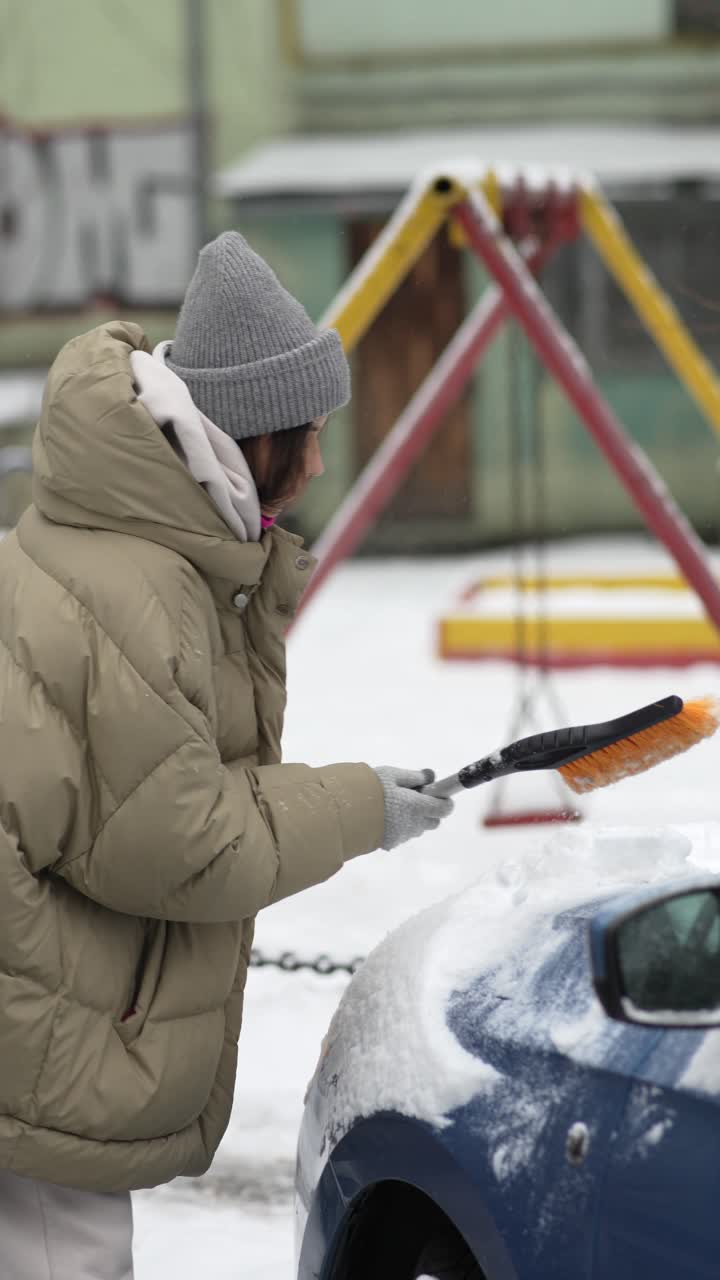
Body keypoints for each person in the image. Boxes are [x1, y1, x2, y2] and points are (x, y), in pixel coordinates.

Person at [0, 231, 453, 1277]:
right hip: (42, 1034)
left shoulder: (111, 537)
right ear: (253, 435)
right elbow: (181, 840)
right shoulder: (143, 588)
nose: (323, 460)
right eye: (312, 431)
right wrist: (361, 808)